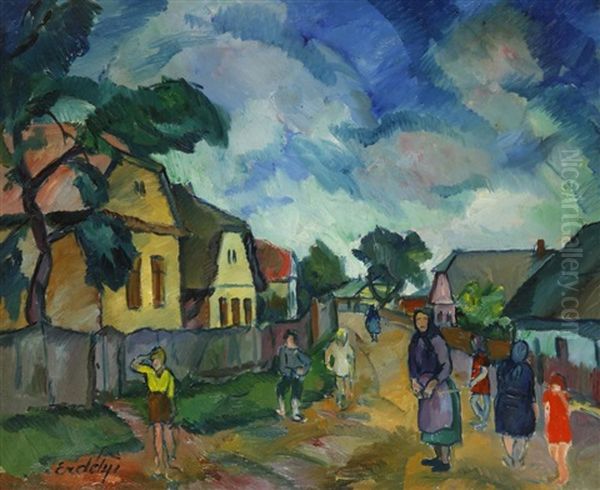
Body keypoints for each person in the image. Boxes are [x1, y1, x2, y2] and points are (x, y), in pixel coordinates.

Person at [408, 309, 462, 472]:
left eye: (424, 319)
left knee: (441, 422)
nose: (421, 323)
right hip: (424, 387)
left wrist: (433, 383)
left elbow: (446, 366)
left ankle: (445, 461)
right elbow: (412, 363)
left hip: (440, 387)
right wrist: (414, 380)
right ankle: (438, 457)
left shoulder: (437, 340)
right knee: (429, 422)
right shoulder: (415, 340)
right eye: (418, 320)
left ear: (430, 320)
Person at [130, 347, 176, 477]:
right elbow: (134, 365)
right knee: (157, 432)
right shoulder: (149, 371)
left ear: (162, 360)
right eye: (153, 360)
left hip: (165, 402)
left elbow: (171, 393)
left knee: (167, 431)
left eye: (157, 360)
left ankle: (170, 458)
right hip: (154, 402)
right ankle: (159, 461)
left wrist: (172, 408)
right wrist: (145, 357)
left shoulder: (168, 374)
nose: (155, 362)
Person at [494, 340, 537, 469]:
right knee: (522, 434)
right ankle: (519, 460)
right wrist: (534, 406)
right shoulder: (528, 370)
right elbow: (530, 391)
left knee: (507, 434)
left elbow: (499, 385)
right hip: (523, 405)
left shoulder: (503, 365)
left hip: (504, 403)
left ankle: (511, 459)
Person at [543, 373, 572, 485]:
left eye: (557, 385)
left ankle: (563, 479)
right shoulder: (547, 395)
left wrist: (561, 395)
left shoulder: (564, 395)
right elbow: (546, 411)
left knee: (560, 456)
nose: (555, 388)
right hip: (552, 427)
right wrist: (546, 427)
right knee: (553, 454)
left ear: (561, 386)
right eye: (553, 385)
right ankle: (560, 473)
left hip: (563, 428)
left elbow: (568, 410)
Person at [276, 330, 311, 422]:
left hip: (296, 376)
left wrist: (303, 371)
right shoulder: (283, 350)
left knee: (296, 391)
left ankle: (295, 413)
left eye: (292, 339)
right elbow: (282, 366)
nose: (290, 341)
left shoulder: (297, 351)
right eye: (288, 339)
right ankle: (282, 409)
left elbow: (308, 362)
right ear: (286, 340)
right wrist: (290, 371)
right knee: (280, 389)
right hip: (287, 375)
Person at [325, 328, 355, 409]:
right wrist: (327, 363)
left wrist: (351, 363)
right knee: (339, 385)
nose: (342, 341)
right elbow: (327, 353)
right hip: (338, 367)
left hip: (346, 367)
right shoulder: (333, 345)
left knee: (347, 384)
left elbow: (351, 355)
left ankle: (345, 399)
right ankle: (340, 401)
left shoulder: (347, 346)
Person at [468, 335, 491, 431]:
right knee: (473, 401)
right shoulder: (476, 357)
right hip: (477, 384)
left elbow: (484, 373)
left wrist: (474, 381)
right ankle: (482, 417)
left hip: (483, 383)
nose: (472, 345)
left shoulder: (483, 358)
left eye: (474, 343)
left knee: (486, 402)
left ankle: (484, 422)